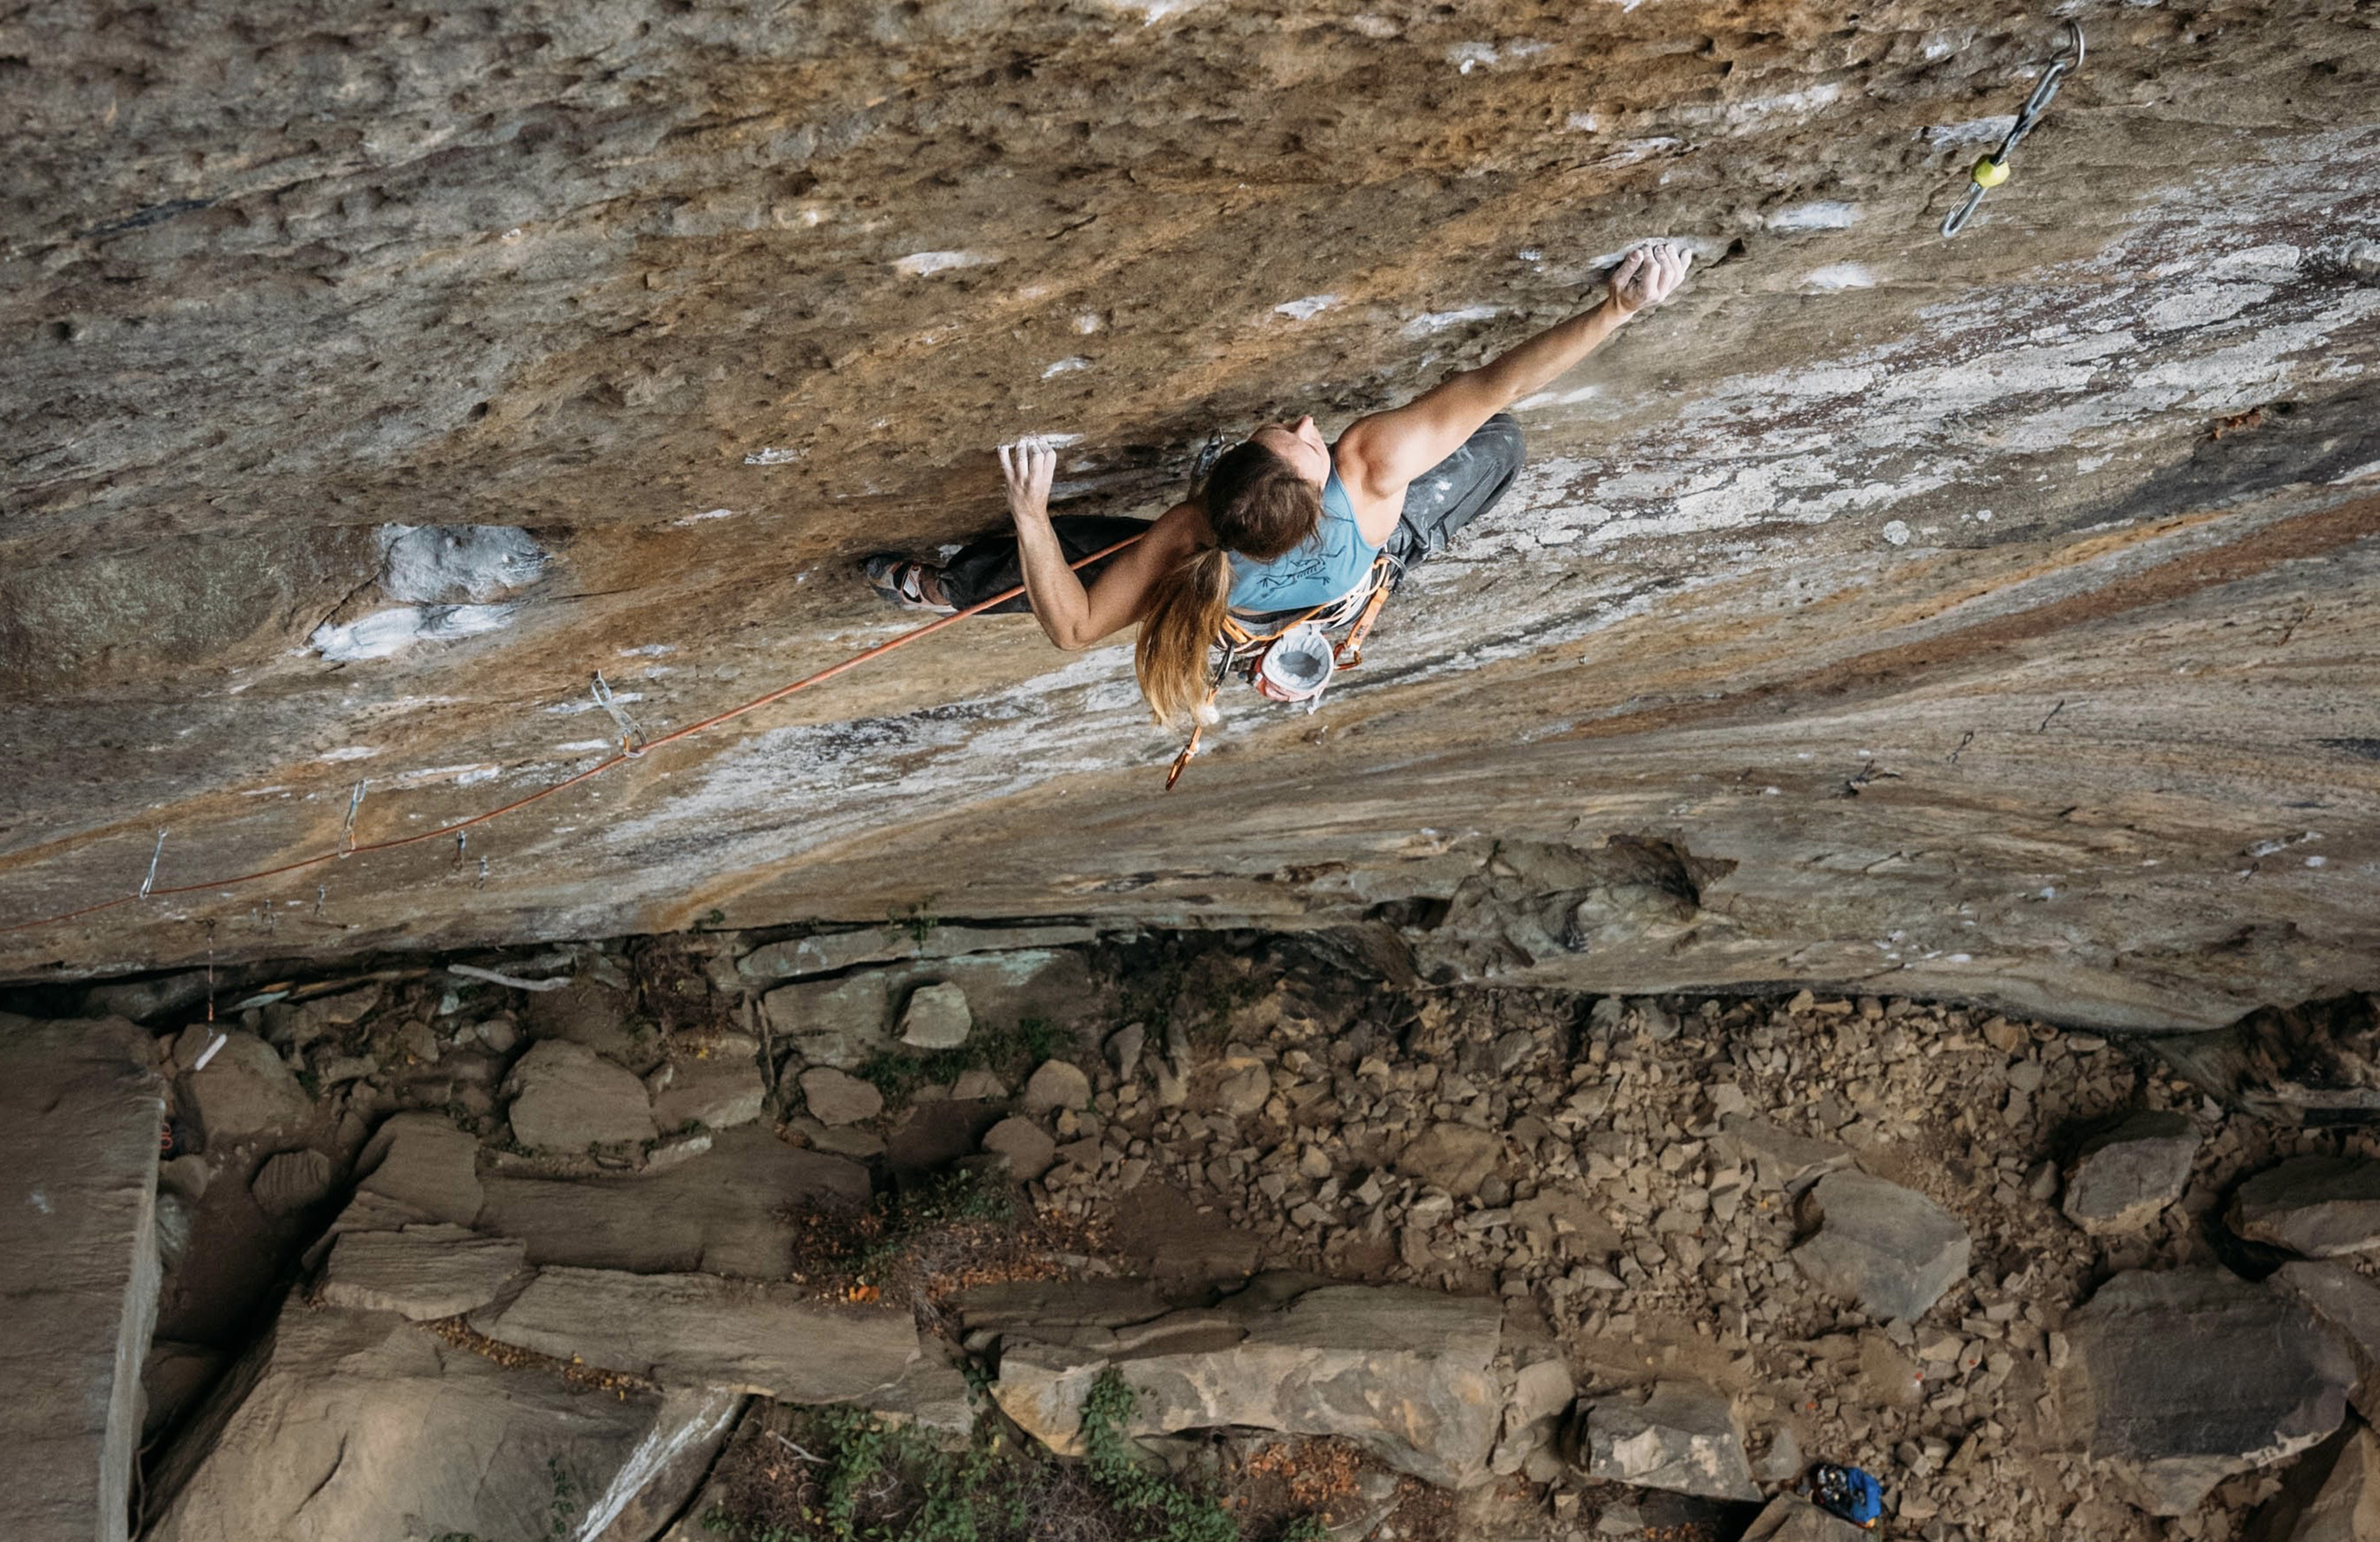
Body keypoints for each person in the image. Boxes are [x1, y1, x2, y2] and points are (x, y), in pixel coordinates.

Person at [865, 238, 1692, 723]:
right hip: (1357, 563)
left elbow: (1077, 627)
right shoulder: (1370, 472)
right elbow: (1491, 390)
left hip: (1249, 599)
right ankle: (942, 586)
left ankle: (950, 586)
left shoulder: (1187, 541)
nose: (1306, 423)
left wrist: (1033, 514)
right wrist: (1617, 309)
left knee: (1068, 558)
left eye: (1296, 437)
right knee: (1498, 440)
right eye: (1304, 442)